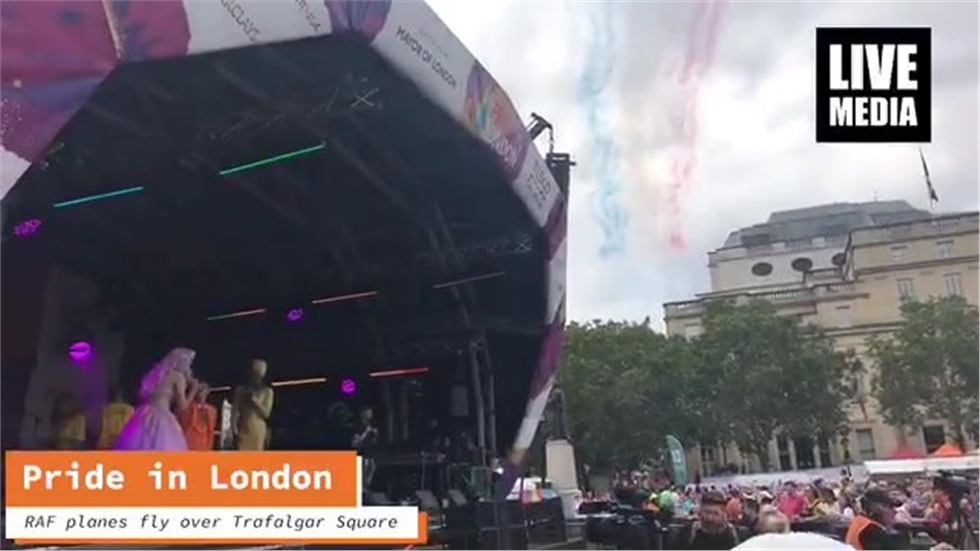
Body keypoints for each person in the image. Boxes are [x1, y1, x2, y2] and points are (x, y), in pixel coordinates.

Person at [115, 348, 197, 450]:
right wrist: (193, 389)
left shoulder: (156, 373)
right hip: (162, 416)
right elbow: (182, 406)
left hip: (144, 413)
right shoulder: (177, 376)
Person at [675, 490, 741, 550]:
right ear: (700, 512)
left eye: (715, 513)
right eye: (706, 512)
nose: (710, 518)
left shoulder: (737, 535)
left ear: (724, 513)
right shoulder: (687, 533)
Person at [233, 359, 274, 451]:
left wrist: (255, 402)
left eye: (256, 375)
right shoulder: (240, 390)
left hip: (258, 430)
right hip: (243, 428)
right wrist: (234, 429)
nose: (253, 378)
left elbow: (266, 413)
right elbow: (235, 410)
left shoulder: (267, 391)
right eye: (252, 374)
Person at [179, 383, 217, 451]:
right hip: (189, 443)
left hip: (204, 444)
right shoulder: (188, 408)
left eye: (203, 390)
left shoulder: (212, 410)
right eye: (198, 390)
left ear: (208, 391)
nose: (200, 393)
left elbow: (211, 430)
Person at [352, 406, 379, 491]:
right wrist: (366, 432)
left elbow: (373, 440)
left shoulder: (370, 425)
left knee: (372, 467)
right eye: (368, 412)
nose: (371, 414)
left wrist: (374, 435)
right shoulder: (359, 426)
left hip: (370, 452)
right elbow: (356, 442)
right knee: (364, 470)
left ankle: (366, 487)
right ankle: (361, 489)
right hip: (362, 453)